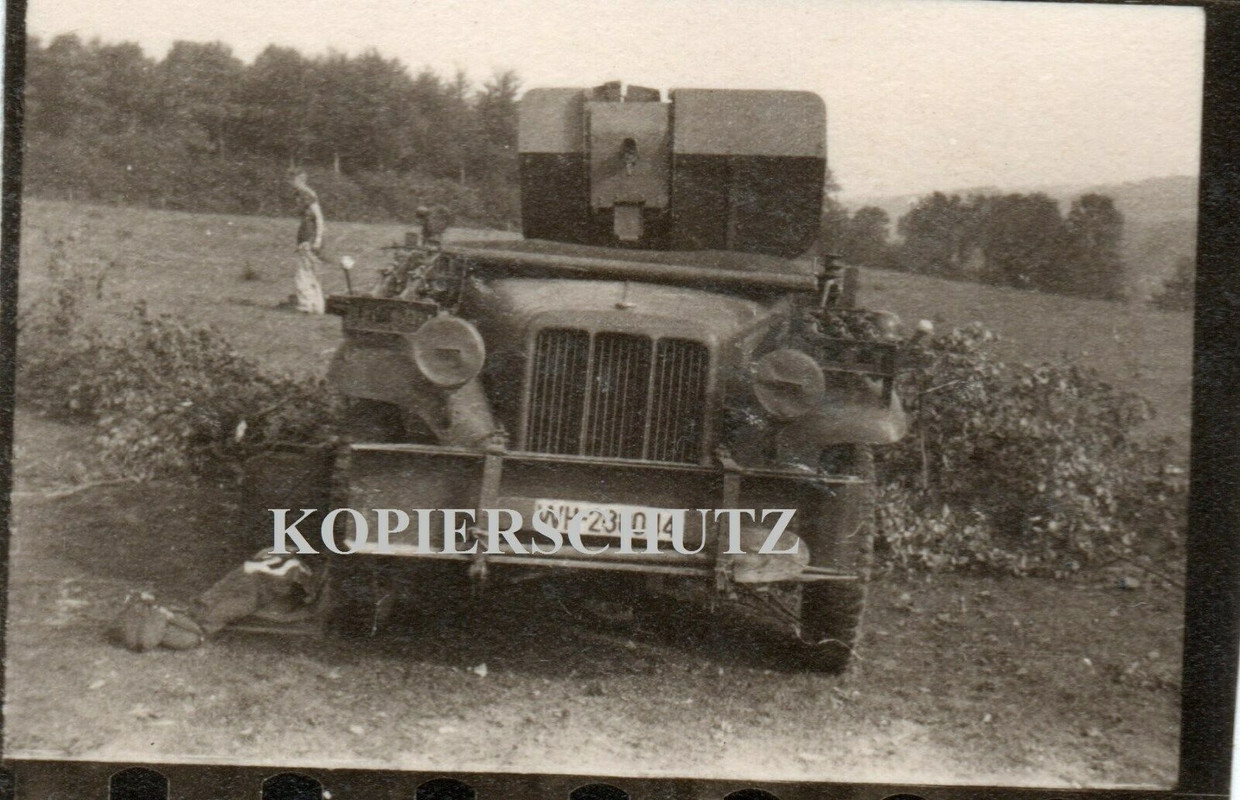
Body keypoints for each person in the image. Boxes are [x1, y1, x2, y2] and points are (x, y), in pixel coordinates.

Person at [290, 169, 326, 314]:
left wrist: (317, 240)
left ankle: (307, 306)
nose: (290, 183)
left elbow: (319, 218)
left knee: (303, 274)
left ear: (299, 180)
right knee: (311, 273)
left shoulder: (306, 195)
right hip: (309, 238)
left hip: (309, 239)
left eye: (292, 180)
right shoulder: (308, 194)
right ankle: (317, 307)